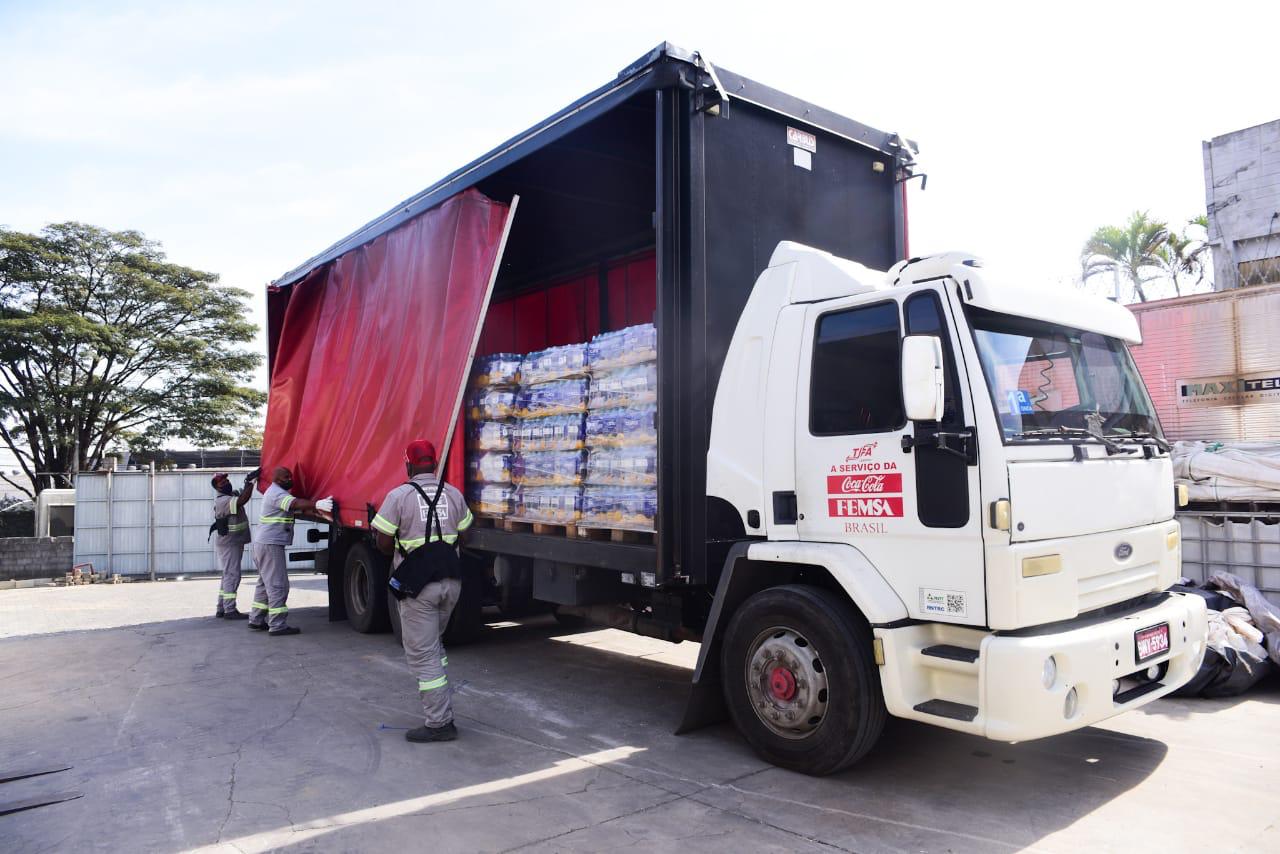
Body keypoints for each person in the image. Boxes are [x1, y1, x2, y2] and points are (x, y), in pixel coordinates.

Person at [373, 439, 473, 743]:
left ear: (408, 464)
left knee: (423, 655)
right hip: (451, 582)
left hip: (419, 588)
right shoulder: (453, 493)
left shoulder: (399, 496)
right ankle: (441, 706)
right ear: (434, 462)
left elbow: (383, 542)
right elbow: (466, 533)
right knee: (434, 647)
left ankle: (439, 722)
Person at [249, 466, 332, 636]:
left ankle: (256, 619)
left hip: (264, 544)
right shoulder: (277, 493)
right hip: (270, 545)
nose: (290, 479)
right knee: (278, 585)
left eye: (290, 476)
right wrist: (317, 503)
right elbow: (294, 503)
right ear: (278, 479)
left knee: (265, 583)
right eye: (287, 477)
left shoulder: (275, 492)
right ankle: (277, 625)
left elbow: (295, 507)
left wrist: (314, 509)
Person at [211, 469, 258, 619]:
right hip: (229, 543)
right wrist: (251, 482)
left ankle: (221, 608)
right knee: (233, 575)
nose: (227, 484)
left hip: (232, 542)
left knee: (227, 575)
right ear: (217, 487)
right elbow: (243, 499)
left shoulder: (229, 496)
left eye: (227, 481)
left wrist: (248, 482)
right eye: (223, 483)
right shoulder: (223, 501)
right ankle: (230, 610)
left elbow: (241, 493)